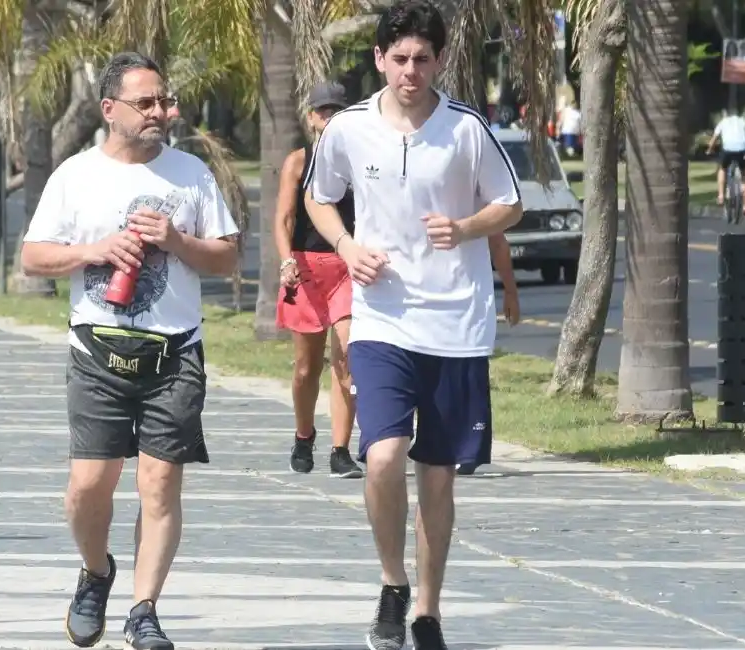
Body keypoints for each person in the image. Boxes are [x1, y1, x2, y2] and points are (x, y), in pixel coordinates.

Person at [302, 2, 523, 649]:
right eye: (398, 58)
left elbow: (507, 204)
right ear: (379, 59)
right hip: (382, 318)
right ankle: (392, 583)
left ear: (439, 60)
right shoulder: (347, 129)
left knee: (436, 475)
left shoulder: (465, 130)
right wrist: (346, 248)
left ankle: (426, 609)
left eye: (422, 58)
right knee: (382, 456)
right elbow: (319, 197)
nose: (410, 70)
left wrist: (464, 228)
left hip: (455, 322)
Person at [19, 51, 240, 650]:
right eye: (144, 103)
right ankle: (96, 572)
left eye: (162, 101)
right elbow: (33, 257)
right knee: (88, 487)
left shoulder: (190, 174)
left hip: (175, 354)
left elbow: (227, 258)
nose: (159, 113)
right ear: (108, 108)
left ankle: (144, 610)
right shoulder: (75, 175)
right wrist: (95, 251)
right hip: (97, 351)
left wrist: (177, 239)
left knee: (160, 483)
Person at [275, 81, 364, 479]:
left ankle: (341, 450)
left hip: (347, 267)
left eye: (336, 111)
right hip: (306, 269)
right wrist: (285, 260)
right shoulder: (299, 161)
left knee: (346, 359)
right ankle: (303, 435)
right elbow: (284, 219)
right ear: (310, 118)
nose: (328, 118)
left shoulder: (360, 160)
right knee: (305, 368)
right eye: (322, 112)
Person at [707, 109, 745, 206]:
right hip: (742, 149)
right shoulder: (743, 121)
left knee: (722, 169)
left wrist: (709, 150)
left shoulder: (723, 122)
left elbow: (714, 139)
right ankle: (744, 188)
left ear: (726, 114)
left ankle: (721, 195)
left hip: (727, 149)